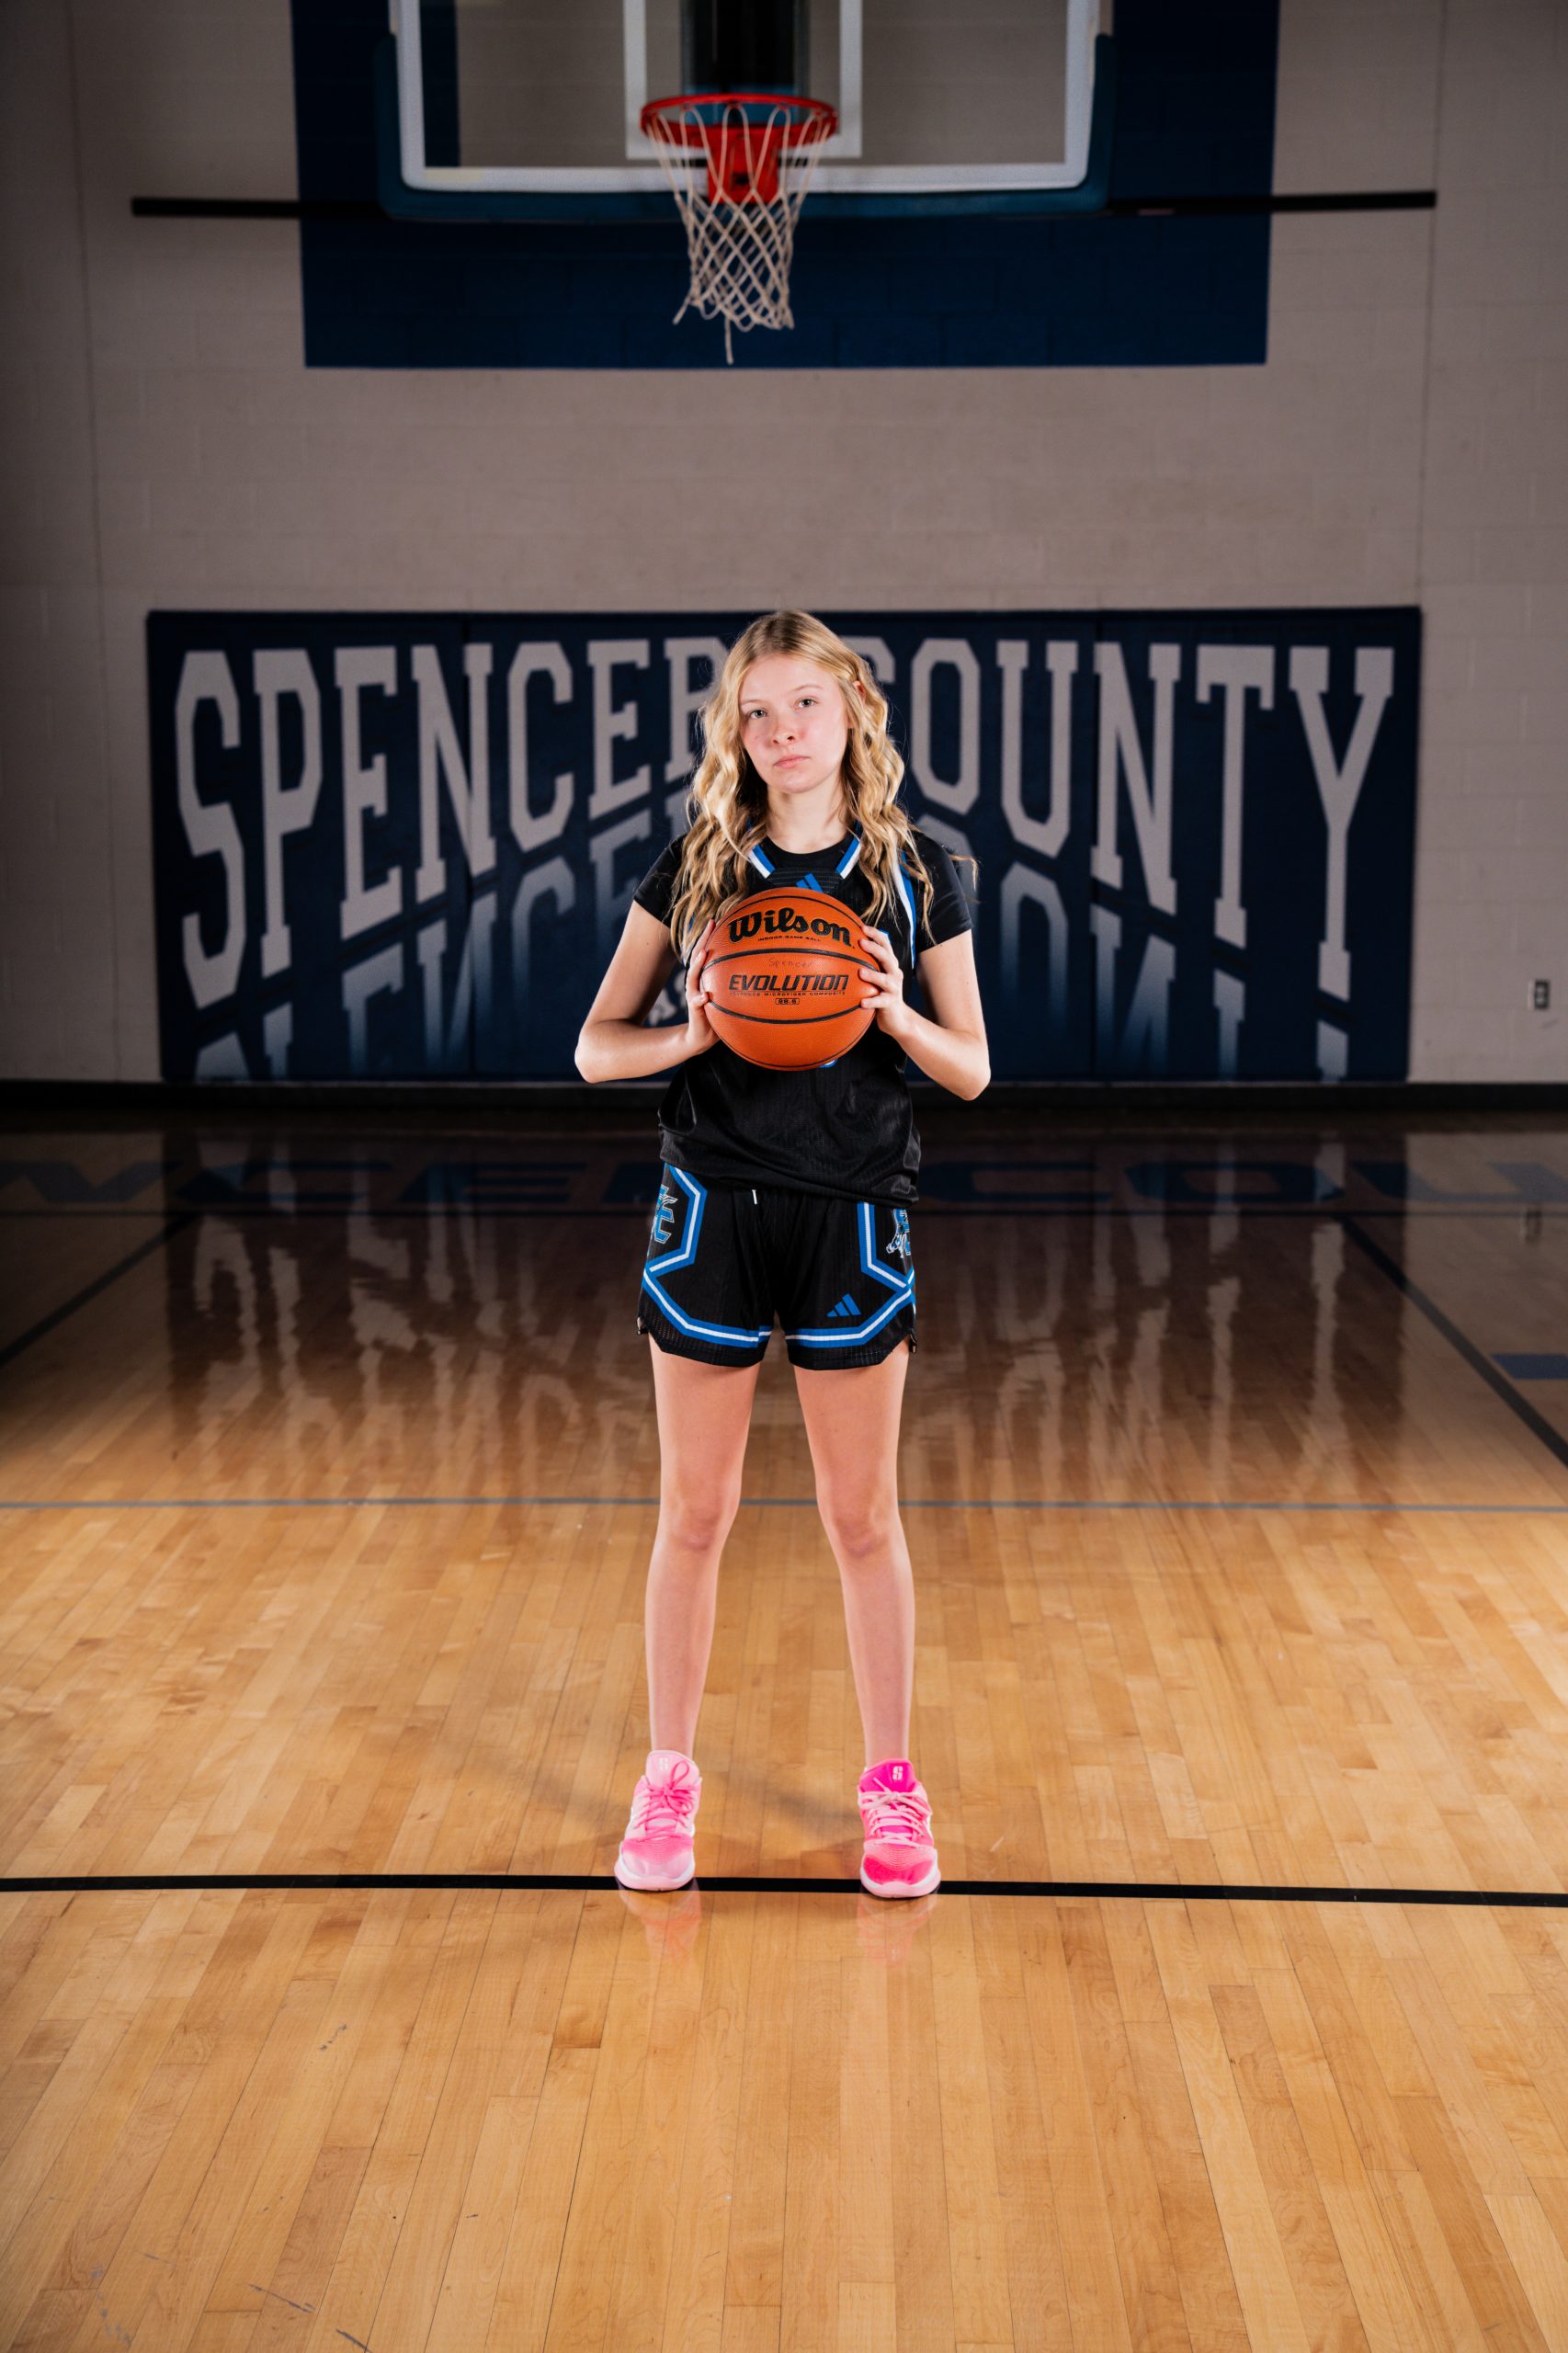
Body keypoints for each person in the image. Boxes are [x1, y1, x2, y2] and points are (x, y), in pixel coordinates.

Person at [575, 610, 989, 1898]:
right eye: (756, 713)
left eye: (805, 703)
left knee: (860, 1518)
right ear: (735, 732)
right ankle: (666, 1780)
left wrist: (893, 1013)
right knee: (694, 1513)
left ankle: (892, 1788)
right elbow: (595, 1047)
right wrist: (692, 1034)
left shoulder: (915, 871)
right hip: (711, 1202)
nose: (782, 732)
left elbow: (972, 1070)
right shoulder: (698, 864)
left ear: (852, 709)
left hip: (852, 1209)